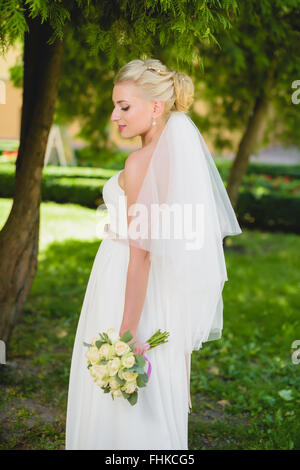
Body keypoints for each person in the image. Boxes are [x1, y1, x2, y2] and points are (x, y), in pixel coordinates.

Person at [65, 58, 242, 450]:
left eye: (124, 106)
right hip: (157, 288)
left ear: (157, 107)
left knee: (125, 394)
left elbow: (141, 254)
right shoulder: (174, 155)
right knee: (155, 386)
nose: (114, 116)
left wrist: (126, 332)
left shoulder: (141, 161)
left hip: (127, 281)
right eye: (115, 106)